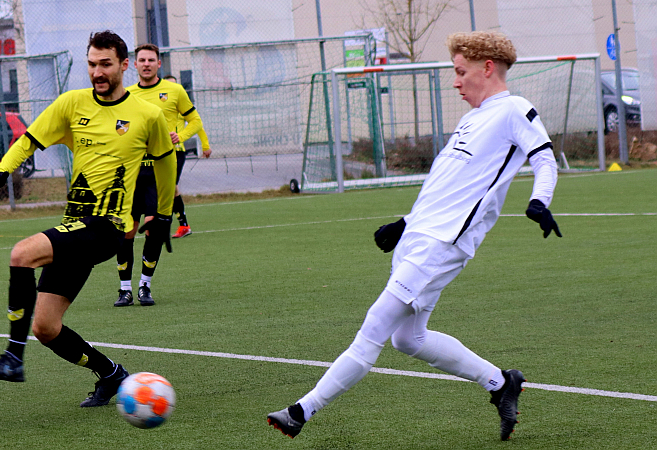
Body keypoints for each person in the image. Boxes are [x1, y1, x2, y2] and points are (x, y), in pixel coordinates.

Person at [267, 31, 562, 441]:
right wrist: (405, 221)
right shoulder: (472, 118)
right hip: (420, 237)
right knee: (408, 338)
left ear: (488, 67)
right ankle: (500, 383)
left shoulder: (514, 109)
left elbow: (545, 159)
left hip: (442, 244)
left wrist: (539, 200)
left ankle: (302, 410)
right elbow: (446, 185)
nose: (456, 82)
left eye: (461, 72)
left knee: (374, 328)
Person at [0, 30, 176, 407]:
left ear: (124, 65)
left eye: (105, 64)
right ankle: (112, 373)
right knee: (46, 328)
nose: (97, 72)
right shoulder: (72, 104)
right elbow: (30, 138)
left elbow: (165, 163)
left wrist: (162, 214)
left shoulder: (147, 114)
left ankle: (13, 358)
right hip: (75, 225)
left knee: (22, 253)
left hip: (108, 226)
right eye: (92, 64)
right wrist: (3, 171)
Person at [113, 45, 204, 307]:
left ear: (158, 64)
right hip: (131, 172)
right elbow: (118, 127)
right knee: (126, 231)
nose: (146, 64)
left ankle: (145, 286)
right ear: (132, 64)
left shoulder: (174, 91)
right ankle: (124, 289)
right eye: (142, 60)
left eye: (151, 60)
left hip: (159, 171)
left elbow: (195, 120)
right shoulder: (126, 94)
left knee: (153, 228)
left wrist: (181, 136)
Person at [164, 74, 212, 238]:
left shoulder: (182, 106)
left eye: (175, 86)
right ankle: (183, 224)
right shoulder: (161, 107)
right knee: (171, 188)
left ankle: (175, 224)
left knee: (168, 188)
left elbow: (197, 124)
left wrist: (205, 145)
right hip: (160, 152)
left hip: (177, 152)